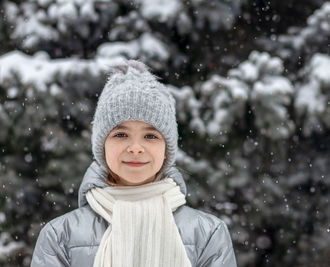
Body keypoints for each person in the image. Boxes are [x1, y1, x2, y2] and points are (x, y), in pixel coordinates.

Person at [30, 60, 237, 267]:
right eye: (121, 134)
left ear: (167, 150)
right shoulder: (60, 236)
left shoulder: (208, 234)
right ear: (102, 146)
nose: (136, 147)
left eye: (150, 136)